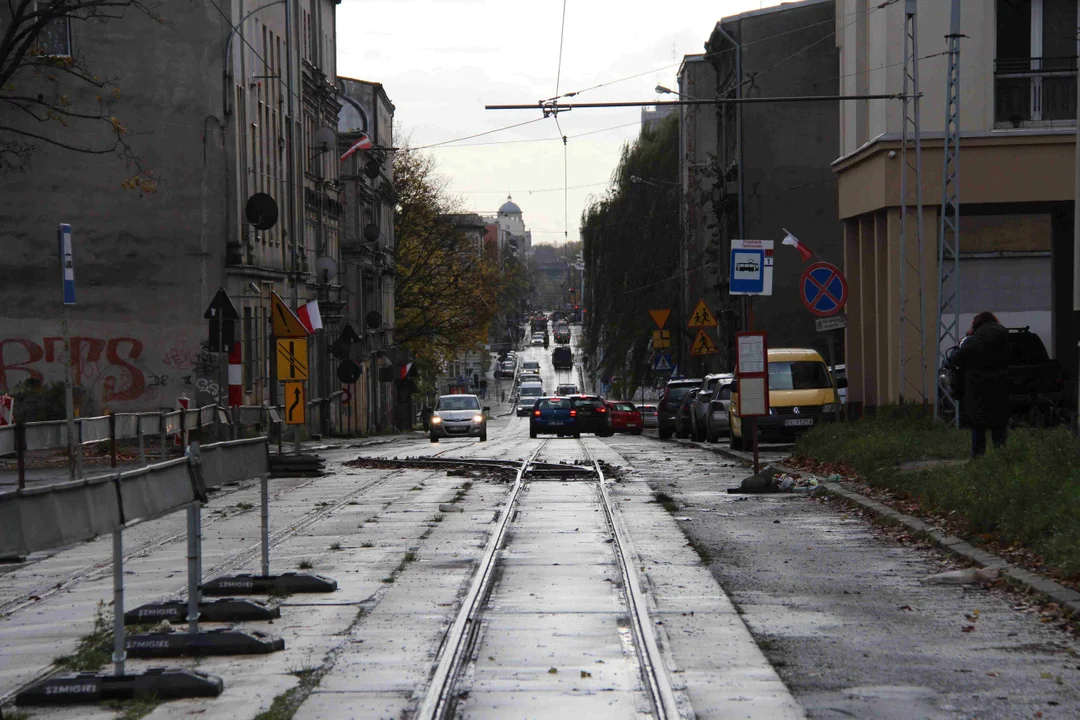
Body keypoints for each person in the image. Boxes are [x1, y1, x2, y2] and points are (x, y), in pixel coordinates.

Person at [951, 311, 1011, 457]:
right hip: (1000, 387)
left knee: (978, 425)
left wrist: (961, 344)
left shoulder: (974, 340)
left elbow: (955, 359)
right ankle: (1001, 457)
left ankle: (978, 458)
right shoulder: (1005, 335)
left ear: (977, 324)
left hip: (978, 388)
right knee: (999, 425)